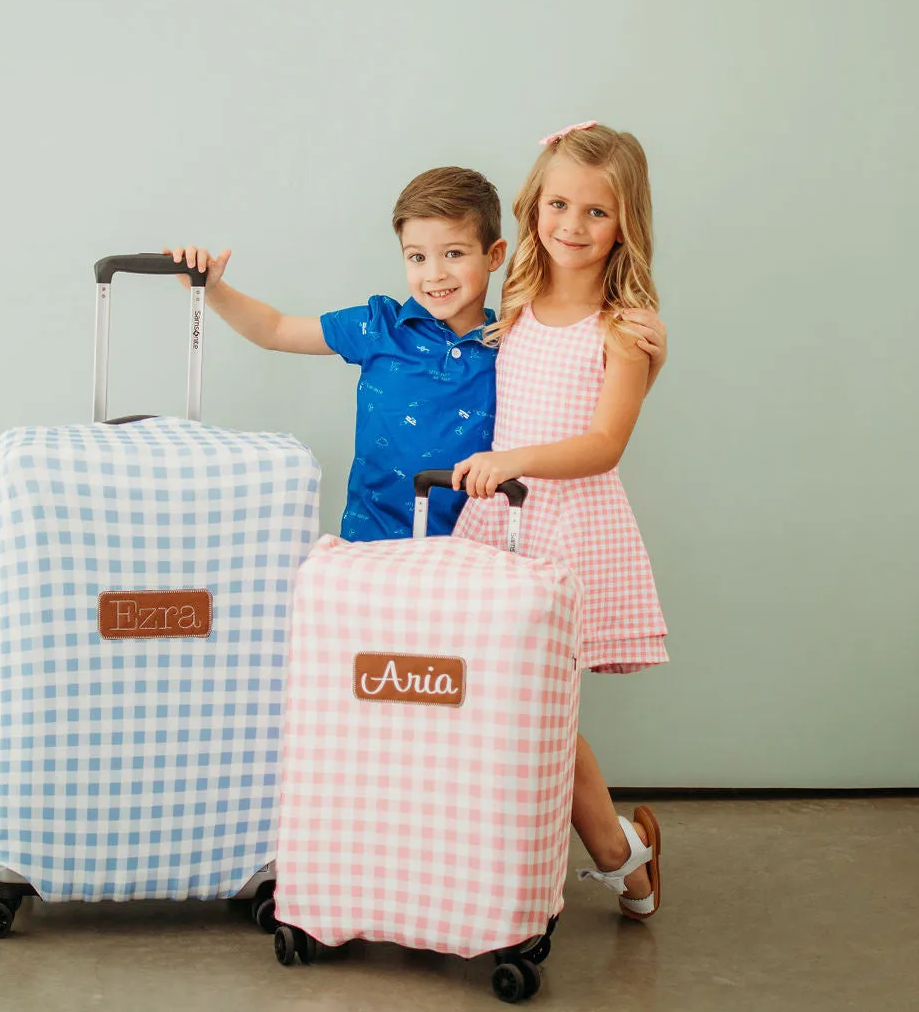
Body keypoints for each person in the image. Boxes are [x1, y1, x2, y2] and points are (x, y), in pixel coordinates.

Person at [168, 164, 669, 542]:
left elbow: (580, 414)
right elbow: (275, 329)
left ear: (494, 255)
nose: (435, 274)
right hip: (370, 543)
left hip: (473, 549)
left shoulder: (511, 341)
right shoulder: (379, 325)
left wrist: (646, 365)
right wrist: (212, 290)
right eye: (417, 257)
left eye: (454, 253)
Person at [452, 122, 668, 920]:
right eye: (558, 204)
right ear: (534, 205)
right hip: (500, 525)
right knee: (501, 698)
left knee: (541, 705)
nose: (572, 226)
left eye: (596, 213)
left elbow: (605, 445)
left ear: (626, 224)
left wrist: (516, 461)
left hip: (569, 526)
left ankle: (622, 859)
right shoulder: (513, 300)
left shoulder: (626, 328)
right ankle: (616, 853)